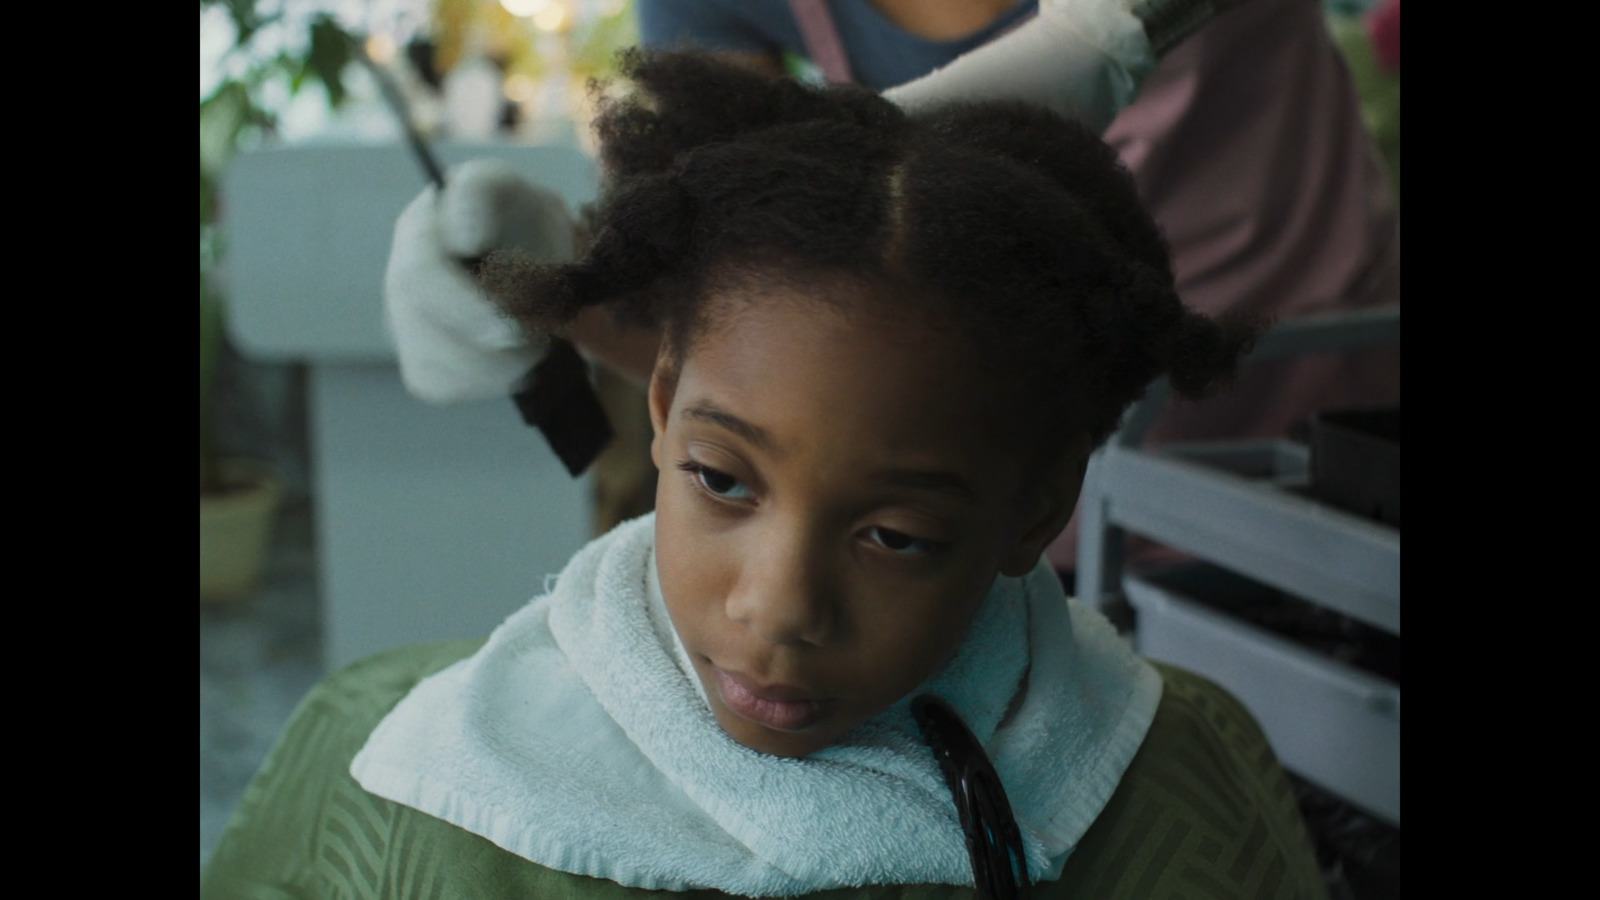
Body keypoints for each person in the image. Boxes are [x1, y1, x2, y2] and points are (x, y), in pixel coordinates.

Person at [202, 51, 1328, 898]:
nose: (778, 608)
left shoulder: (1176, 783)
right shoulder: (405, 771)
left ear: (1039, 508)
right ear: (658, 405)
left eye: (894, 535)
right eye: (723, 481)